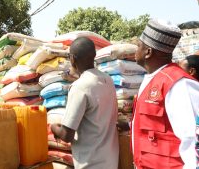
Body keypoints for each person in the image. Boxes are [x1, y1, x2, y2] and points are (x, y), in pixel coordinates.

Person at [132, 18, 199, 169]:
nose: (135, 50)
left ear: (148, 52)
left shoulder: (179, 84)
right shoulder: (151, 78)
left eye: (138, 46)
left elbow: (194, 140)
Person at [51, 37, 119, 169]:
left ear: (72, 59)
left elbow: (66, 135)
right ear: (94, 55)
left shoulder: (79, 87)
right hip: (111, 162)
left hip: (90, 164)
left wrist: (53, 127)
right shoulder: (107, 80)